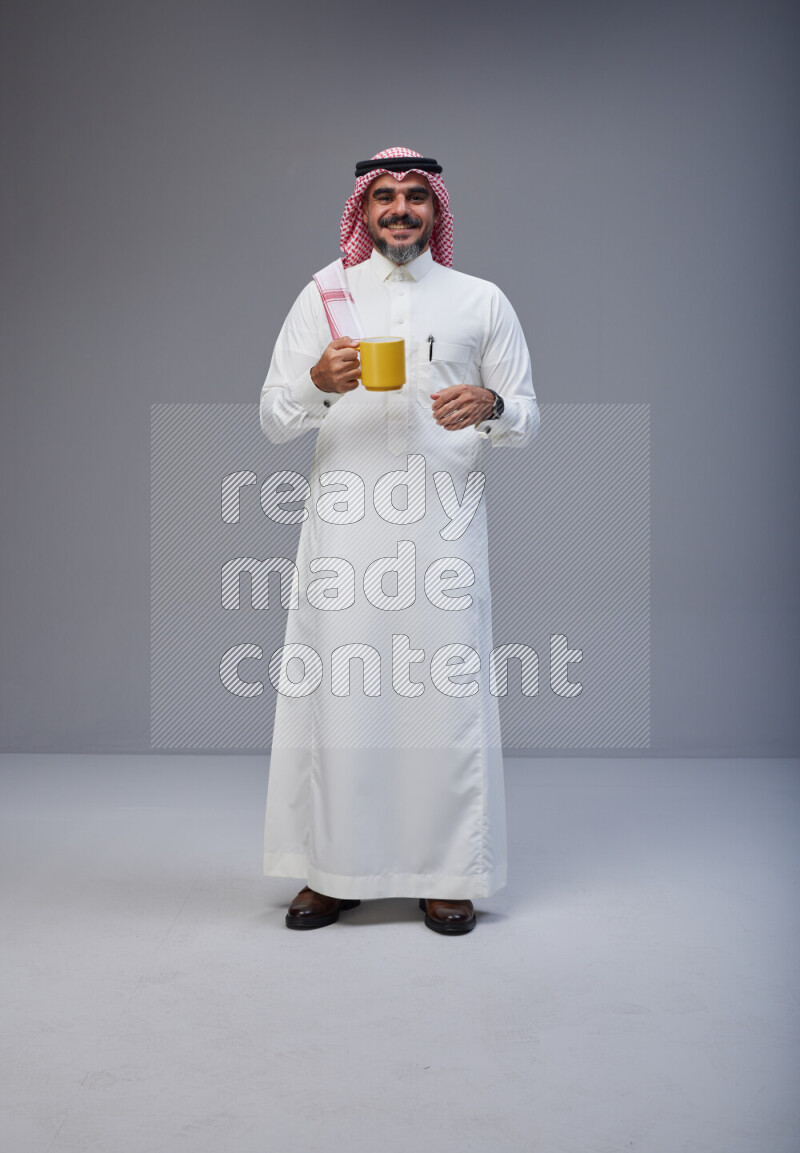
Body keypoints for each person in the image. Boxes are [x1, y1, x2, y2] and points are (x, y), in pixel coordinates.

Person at [259, 147, 539, 934]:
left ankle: (447, 872)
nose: (400, 210)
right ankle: (333, 870)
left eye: (416, 196)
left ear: (437, 209)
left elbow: (527, 416)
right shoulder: (325, 294)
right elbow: (273, 416)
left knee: (440, 697)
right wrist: (319, 381)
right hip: (346, 529)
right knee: (342, 696)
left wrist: (489, 403)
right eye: (384, 197)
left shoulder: (480, 299)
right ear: (364, 208)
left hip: (443, 529)